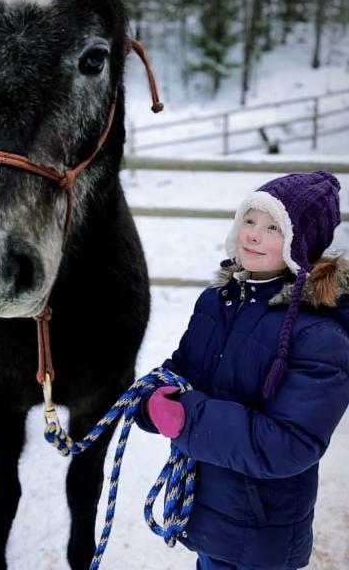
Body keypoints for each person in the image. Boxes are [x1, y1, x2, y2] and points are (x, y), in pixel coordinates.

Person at [136, 171, 349, 570]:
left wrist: (186, 418)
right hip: (206, 510)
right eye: (249, 221)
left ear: (301, 244)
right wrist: (150, 399)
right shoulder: (216, 302)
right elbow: (181, 373)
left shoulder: (319, 334)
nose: (252, 235)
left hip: (262, 530)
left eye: (272, 227)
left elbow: (290, 443)